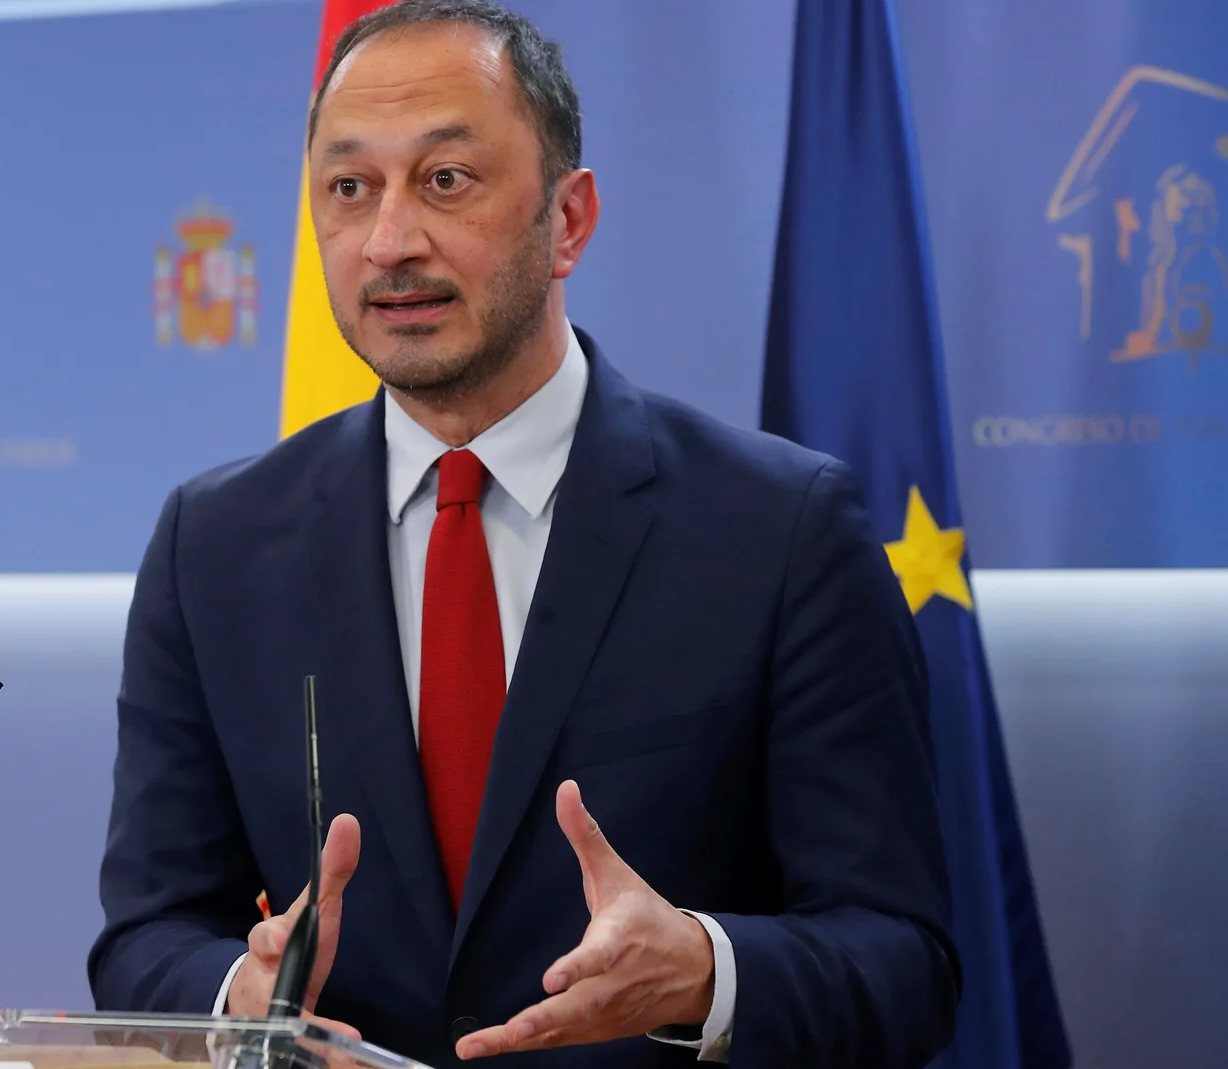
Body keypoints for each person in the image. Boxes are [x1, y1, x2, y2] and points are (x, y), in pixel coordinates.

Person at [88, 2, 959, 1066]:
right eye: (348, 189)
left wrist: (702, 967)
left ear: (569, 220)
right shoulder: (213, 545)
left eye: (446, 180)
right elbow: (145, 937)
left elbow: (904, 964)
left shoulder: (779, 529)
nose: (391, 241)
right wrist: (237, 989)